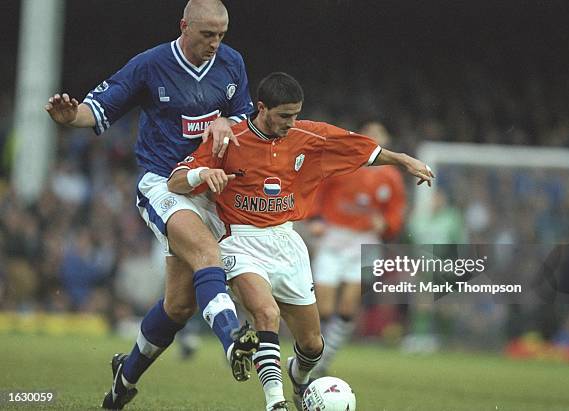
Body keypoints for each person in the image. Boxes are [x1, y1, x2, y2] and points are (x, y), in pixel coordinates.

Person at [167, 72, 434, 410]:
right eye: (284, 116)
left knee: (311, 345)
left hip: (286, 242)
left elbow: (362, 149)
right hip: (240, 241)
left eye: (295, 114)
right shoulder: (228, 139)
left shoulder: (308, 134)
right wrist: (202, 173)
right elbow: (176, 181)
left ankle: (300, 379)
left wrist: (404, 160)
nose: (291, 123)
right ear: (261, 108)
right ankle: (275, 402)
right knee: (266, 314)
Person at [44, 1, 259, 409]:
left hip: (209, 186)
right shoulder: (150, 65)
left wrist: (226, 123)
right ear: (184, 26)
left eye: (221, 35)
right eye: (206, 34)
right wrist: (70, 117)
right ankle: (233, 338)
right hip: (163, 184)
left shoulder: (232, 63)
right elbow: (97, 108)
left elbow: (245, 120)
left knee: (178, 306)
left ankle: (121, 383)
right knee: (206, 253)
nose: (215, 43)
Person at [308, 121, 407, 378]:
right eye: (370, 133)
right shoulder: (343, 164)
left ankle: (325, 359)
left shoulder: (392, 177)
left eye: (379, 134)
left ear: (387, 140)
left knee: (348, 308)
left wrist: (386, 224)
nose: (374, 137)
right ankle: (315, 351)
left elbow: (395, 215)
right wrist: (316, 219)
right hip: (334, 237)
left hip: (365, 242)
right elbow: (317, 191)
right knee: (324, 307)